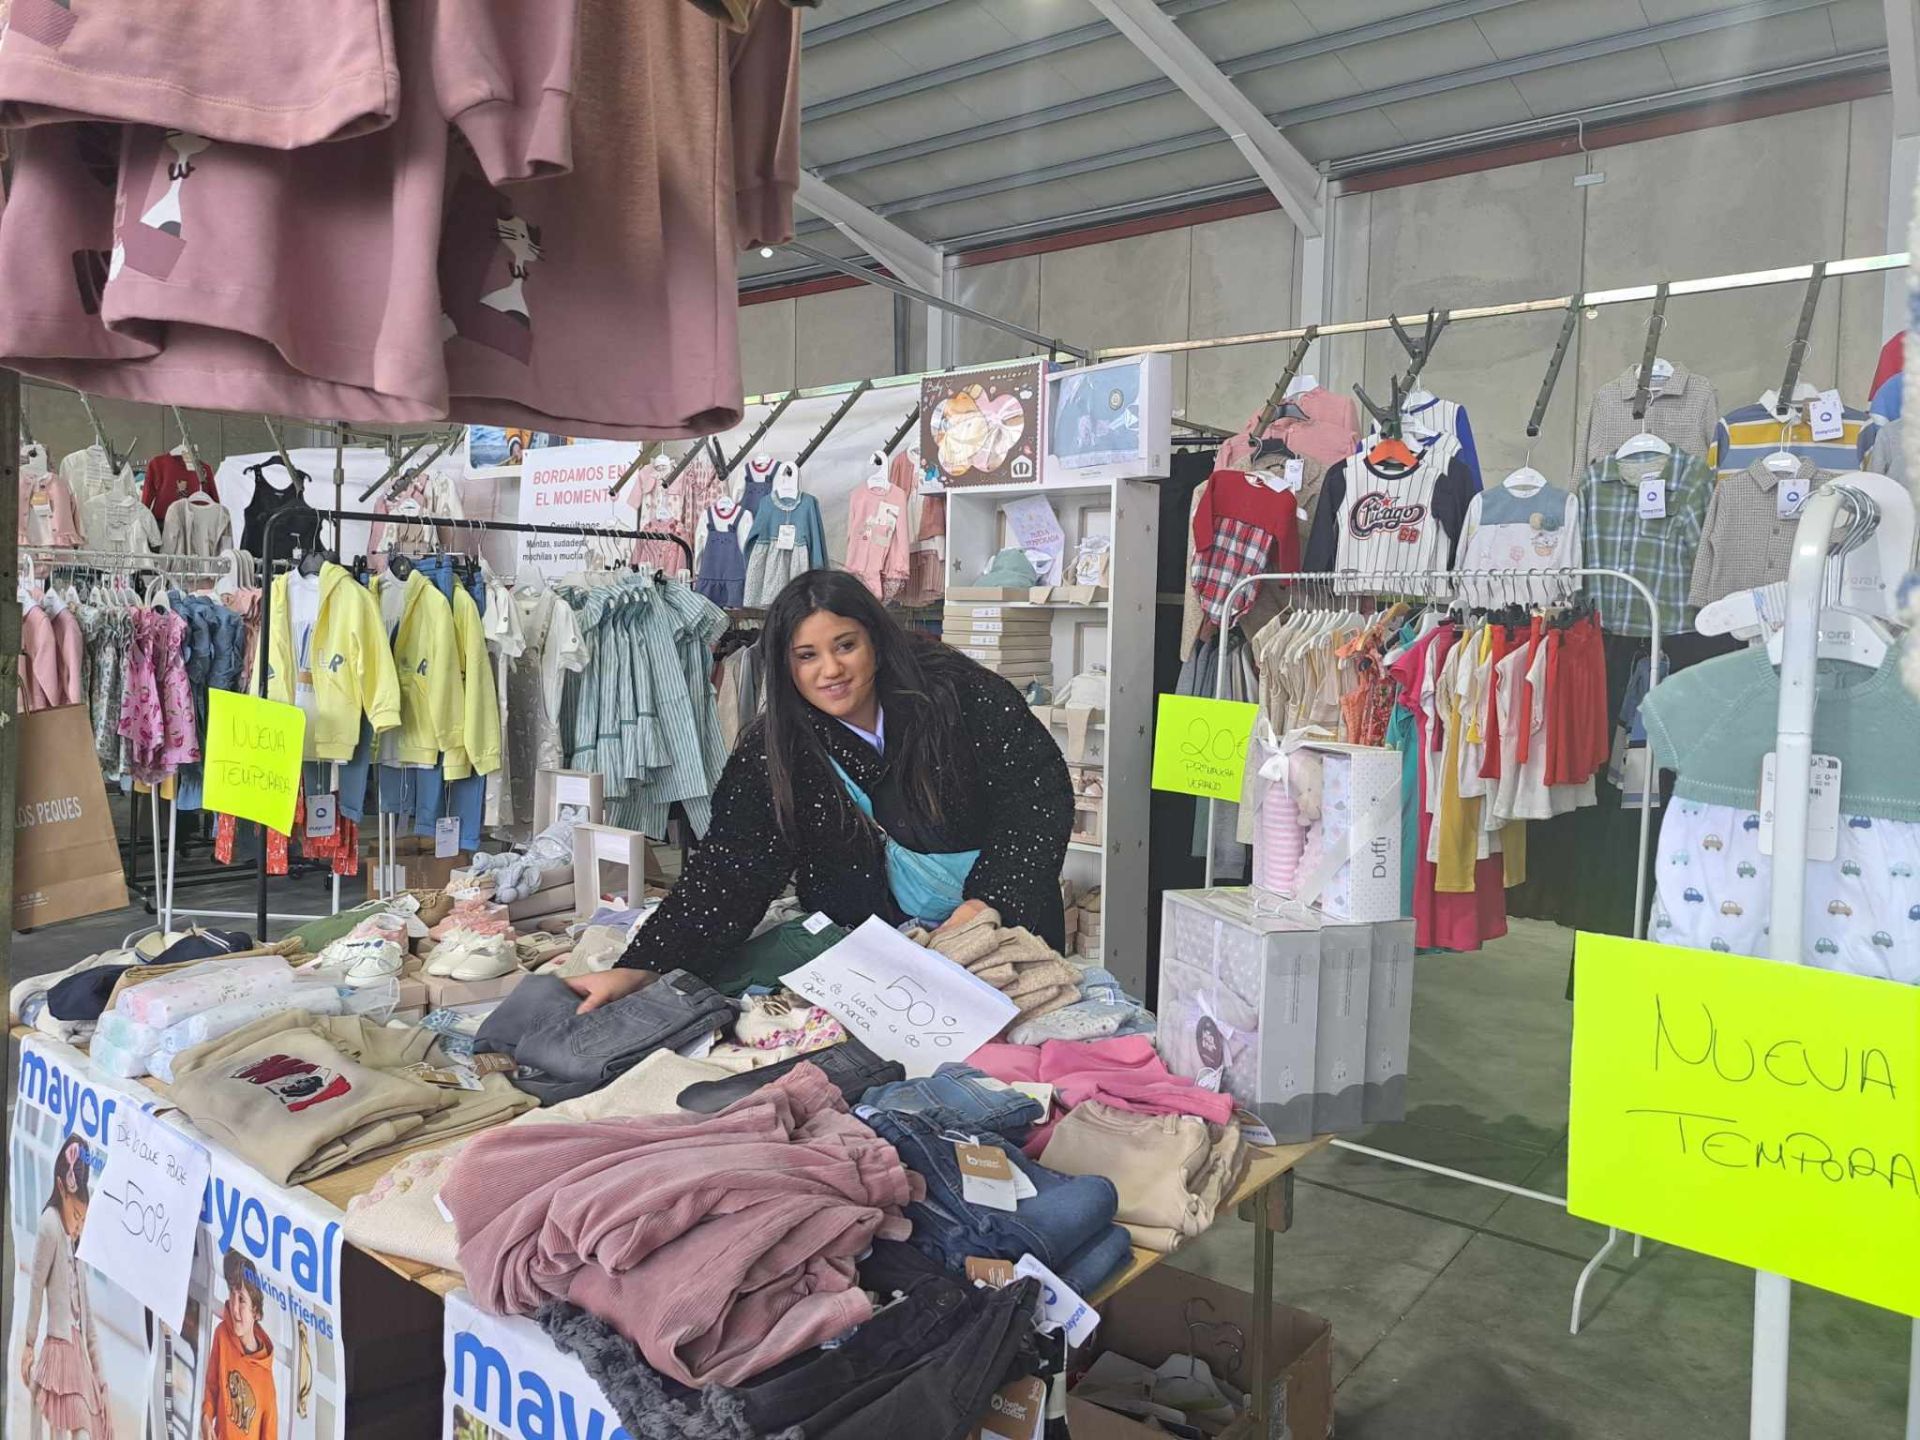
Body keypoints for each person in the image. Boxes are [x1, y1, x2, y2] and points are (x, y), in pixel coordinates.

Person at [569, 569, 1074, 1011]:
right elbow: (728, 871)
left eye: (845, 645)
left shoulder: (956, 693)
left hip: (1000, 931)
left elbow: (1036, 798)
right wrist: (642, 967)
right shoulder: (774, 750)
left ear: (874, 639)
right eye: (806, 656)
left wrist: (985, 904)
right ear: (785, 666)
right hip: (873, 958)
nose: (830, 671)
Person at [21, 1133, 112, 1440]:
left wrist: (100, 1378)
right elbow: (35, 1286)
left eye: (83, 1220)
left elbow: (87, 1317)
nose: (78, 1227)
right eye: (76, 1216)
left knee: (87, 1427)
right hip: (59, 1350)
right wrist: (29, 1344)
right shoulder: (49, 1225)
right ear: (61, 1188)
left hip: (78, 1355)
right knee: (58, 1427)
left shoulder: (76, 1243)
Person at [202, 1250, 277, 1440]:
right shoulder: (222, 1336)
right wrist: (206, 1417)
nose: (234, 1307)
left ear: (257, 1313)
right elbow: (212, 1387)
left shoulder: (266, 1383)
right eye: (231, 1294)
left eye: (242, 1299)